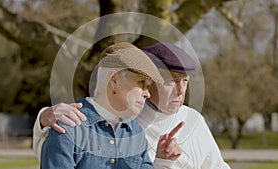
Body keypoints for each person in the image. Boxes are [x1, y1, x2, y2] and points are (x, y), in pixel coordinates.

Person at [34, 42, 230, 169]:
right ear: (115, 81)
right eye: (172, 80)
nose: (181, 90)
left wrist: (162, 161)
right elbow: (49, 148)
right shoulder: (129, 117)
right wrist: (44, 118)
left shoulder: (135, 129)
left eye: (185, 81)